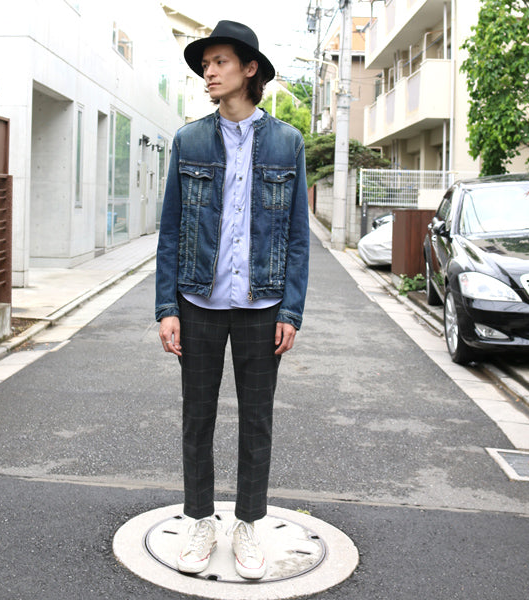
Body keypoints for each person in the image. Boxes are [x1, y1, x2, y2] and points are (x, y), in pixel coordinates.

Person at [155, 20, 309, 580]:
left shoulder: (288, 142)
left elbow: (297, 236)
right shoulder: (189, 140)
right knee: (196, 417)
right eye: (205, 64)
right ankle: (200, 520)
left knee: (256, 421)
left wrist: (290, 309)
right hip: (198, 301)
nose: (209, 72)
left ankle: (247, 524)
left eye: (219, 62)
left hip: (261, 306)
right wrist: (167, 308)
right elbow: (171, 230)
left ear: (249, 69)